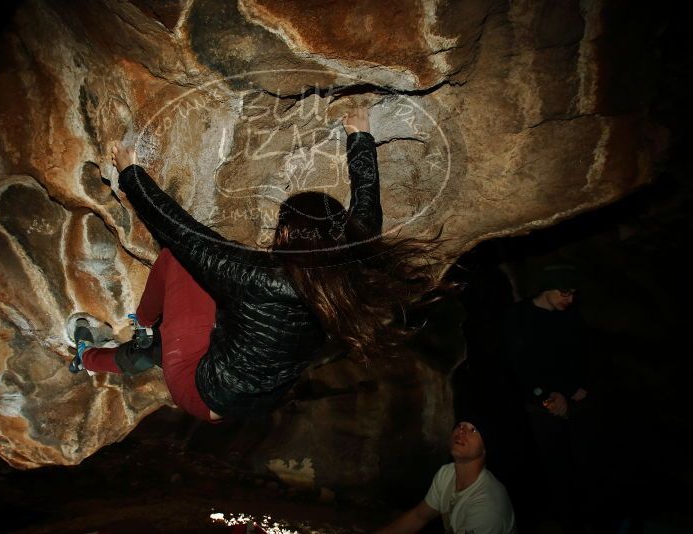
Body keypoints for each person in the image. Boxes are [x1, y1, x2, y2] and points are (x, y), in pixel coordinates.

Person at [69, 107, 447, 423]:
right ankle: (149, 352)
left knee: (179, 261)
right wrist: (360, 137)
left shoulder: (261, 278)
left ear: (287, 237)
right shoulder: (350, 263)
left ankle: (132, 337)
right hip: (260, 399)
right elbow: (368, 208)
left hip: (200, 390)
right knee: (193, 316)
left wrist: (131, 173)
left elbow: (183, 235)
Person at [501, 264, 592, 531]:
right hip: (540, 406)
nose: (569, 299)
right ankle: (562, 517)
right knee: (553, 464)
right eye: (565, 292)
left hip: (576, 403)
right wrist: (547, 395)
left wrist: (578, 387)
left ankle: (586, 517)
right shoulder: (518, 316)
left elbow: (584, 354)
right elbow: (518, 363)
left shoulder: (571, 316)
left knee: (584, 462)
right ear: (546, 289)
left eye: (573, 293)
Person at [377, 416, 517, 533]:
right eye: (460, 425)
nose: (461, 431)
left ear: (485, 449)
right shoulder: (446, 473)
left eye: (473, 430)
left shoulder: (487, 508)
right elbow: (419, 516)